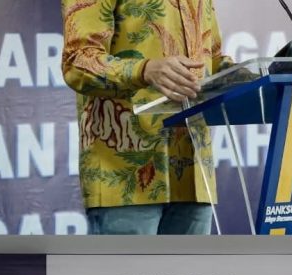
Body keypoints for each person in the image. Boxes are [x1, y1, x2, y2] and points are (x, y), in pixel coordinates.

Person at [61, 0, 233, 234]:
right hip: (126, 179)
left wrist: (258, 74)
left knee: (195, 263)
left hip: (194, 175)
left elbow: (212, 60)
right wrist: (145, 70)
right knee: (128, 262)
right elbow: (77, 61)